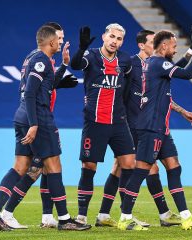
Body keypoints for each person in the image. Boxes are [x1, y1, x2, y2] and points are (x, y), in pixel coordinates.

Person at [95, 30, 192, 228]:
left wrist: (189, 54)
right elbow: (121, 92)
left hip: (156, 125)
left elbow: (166, 79)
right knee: (130, 168)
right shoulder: (133, 63)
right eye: (151, 42)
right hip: (137, 124)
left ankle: (173, 214)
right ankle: (116, 216)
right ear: (143, 45)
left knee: (167, 166)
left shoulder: (153, 64)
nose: (155, 45)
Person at [0, 25, 89, 231]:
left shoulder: (31, 57)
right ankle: (64, 219)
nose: (61, 43)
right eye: (59, 40)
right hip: (38, 119)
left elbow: (46, 84)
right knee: (54, 167)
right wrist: (35, 124)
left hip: (22, 116)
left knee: (20, 167)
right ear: (51, 41)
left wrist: (63, 65)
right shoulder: (41, 60)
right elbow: (31, 94)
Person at [117, 28, 192, 231]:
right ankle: (125, 218)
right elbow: (186, 73)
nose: (176, 50)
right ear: (164, 46)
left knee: (174, 167)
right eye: (174, 46)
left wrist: (189, 53)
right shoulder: (158, 62)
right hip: (150, 126)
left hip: (161, 128)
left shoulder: (157, 64)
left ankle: (186, 216)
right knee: (141, 171)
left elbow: (175, 67)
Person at [70, 23, 138, 225]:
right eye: (111, 37)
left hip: (118, 122)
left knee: (129, 164)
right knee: (89, 166)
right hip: (95, 121)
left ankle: (117, 215)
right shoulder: (90, 55)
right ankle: (82, 216)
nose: (114, 41)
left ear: (122, 42)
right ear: (103, 37)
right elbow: (75, 65)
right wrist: (81, 47)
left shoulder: (125, 60)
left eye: (118, 38)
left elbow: (126, 87)